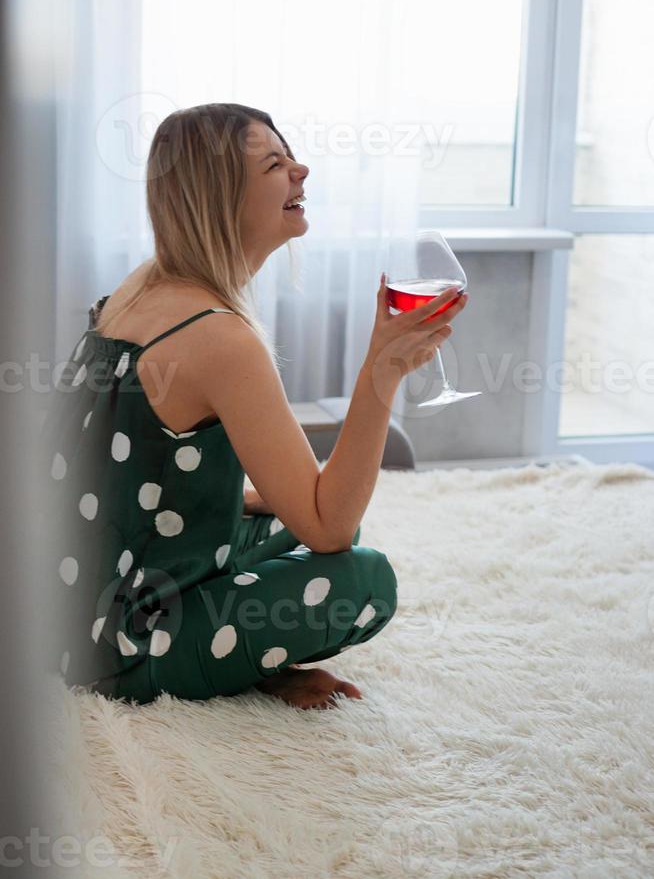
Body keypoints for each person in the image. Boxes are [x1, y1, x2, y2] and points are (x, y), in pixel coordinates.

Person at [39, 103, 468, 711]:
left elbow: (115, 471)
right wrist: (382, 372)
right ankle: (230, 666)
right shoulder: (220, 338)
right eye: (275, 164)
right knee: (359, 577)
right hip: (118, 650)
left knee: (293, 520)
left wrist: (249, 499)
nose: (301, 170)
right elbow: (331, 526)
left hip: (63, 609)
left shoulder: (140, 287)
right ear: (220, 197)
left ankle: (234, 653)